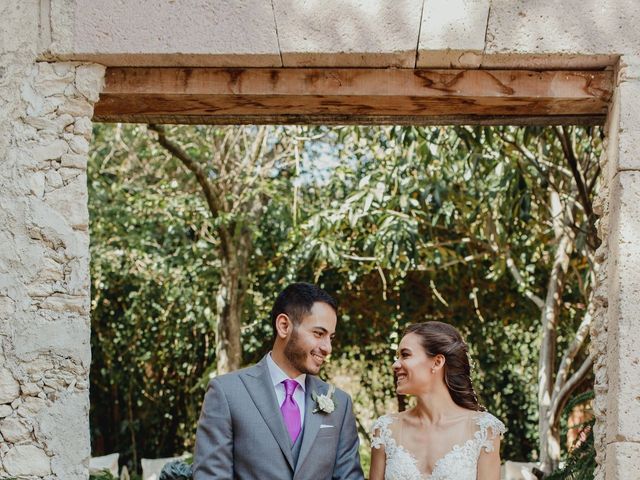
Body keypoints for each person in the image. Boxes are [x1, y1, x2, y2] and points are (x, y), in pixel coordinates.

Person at [193, 282, 364, 480]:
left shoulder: (340, 404)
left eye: (331, 337)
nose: (327, 348)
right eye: (318, 334)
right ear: (284, 326)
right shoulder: (227, 393)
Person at [369, 321, 505, 480]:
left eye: (405, 355)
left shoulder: (483, 430)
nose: (395, 365)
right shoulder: (386, 429)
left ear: (437, 362)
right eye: (397, 357)